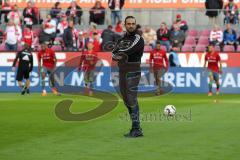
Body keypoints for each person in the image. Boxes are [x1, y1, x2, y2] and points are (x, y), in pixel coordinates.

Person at [112, 16, 144, 137]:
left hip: (133, 71)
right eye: (128, 23)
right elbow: (113, 55)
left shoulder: (138, 38)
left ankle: (137, 128)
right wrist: (120, 53)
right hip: (122, 71)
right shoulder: (121, 39)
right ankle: (135, 127)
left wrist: (121, 53)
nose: (131, 25)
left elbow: (129, 50)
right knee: (126, 100)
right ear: (125, 25)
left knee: (131, 99)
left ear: (135, 25)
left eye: (133, 23)